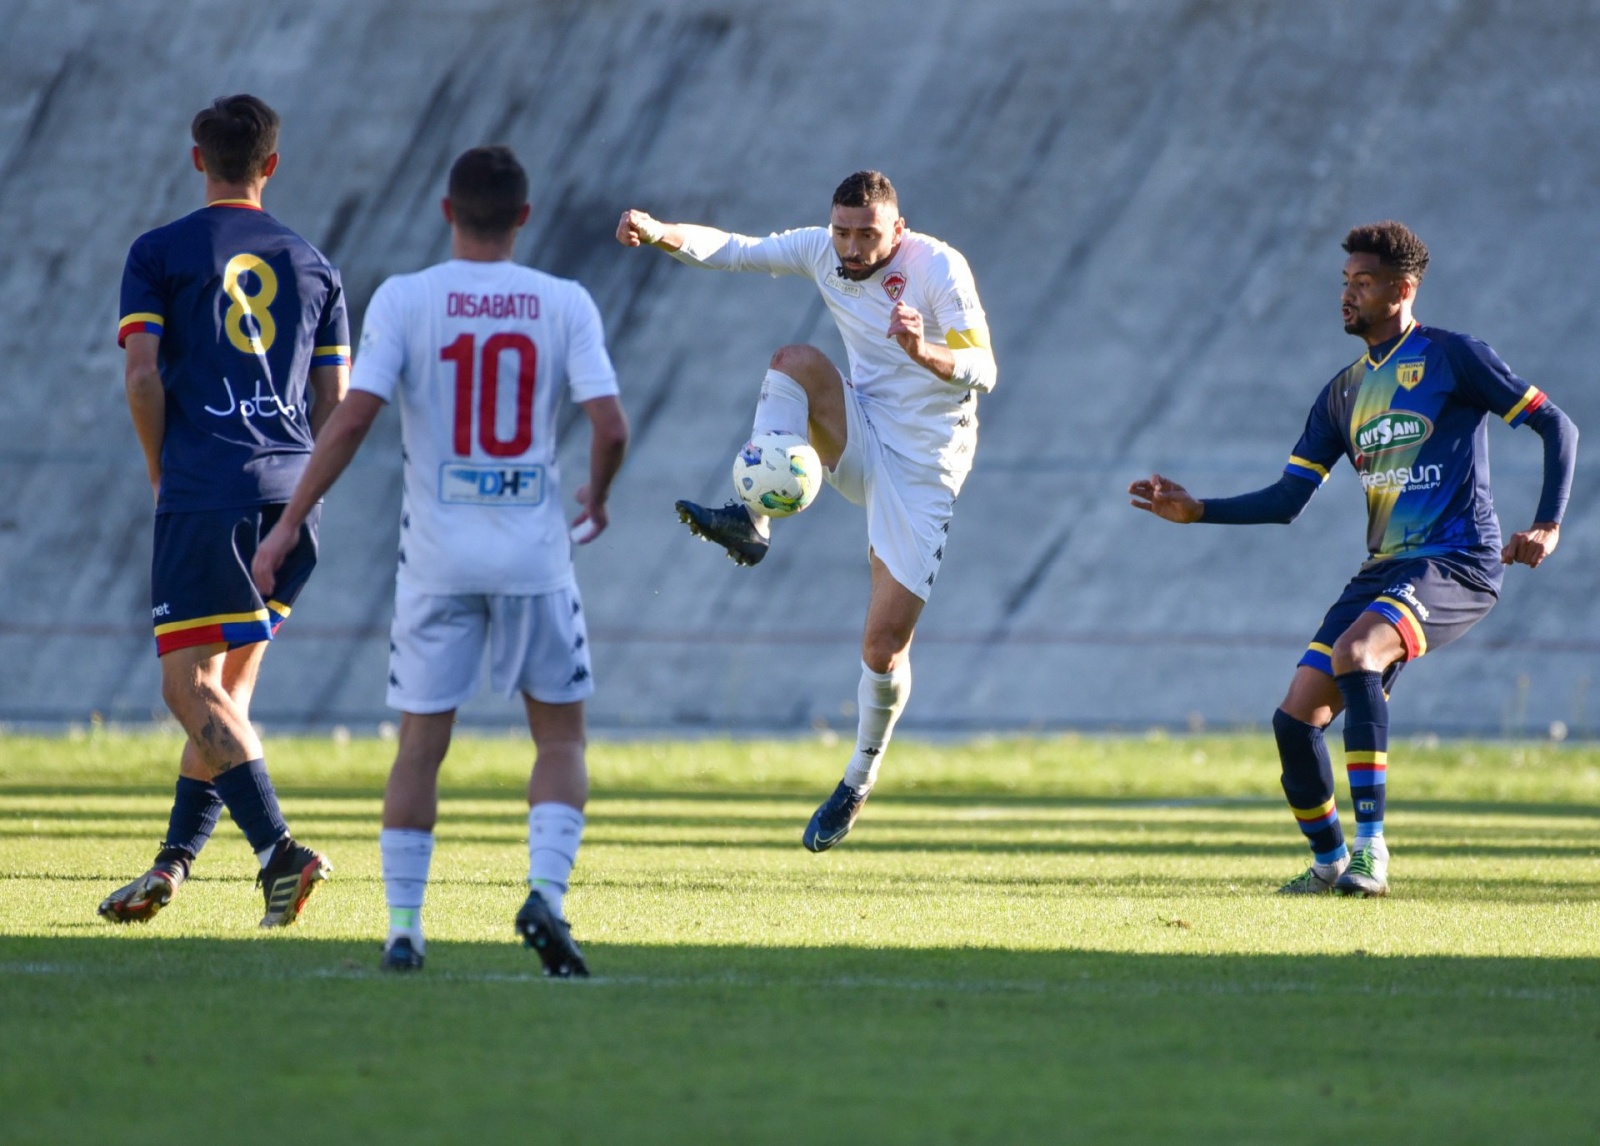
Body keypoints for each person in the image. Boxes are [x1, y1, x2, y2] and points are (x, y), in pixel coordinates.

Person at [253, 145, 629, 975]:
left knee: (420, 746)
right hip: (534, 559)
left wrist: (285, 528)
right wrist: (595, 500)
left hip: (435, 562)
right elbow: (610, 426)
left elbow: (350, 421)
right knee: (560, 741)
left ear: (447, 211)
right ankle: (547, 896)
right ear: (524, 217)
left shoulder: (408, 299)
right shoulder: (562, 303)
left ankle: (403, 930)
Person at [1130, 221, 1577, 897]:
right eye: (1345, 282)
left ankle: (1373, 852)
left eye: (1363, 283)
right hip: (1384, 569)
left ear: (1402, 289)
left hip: (1458, 562)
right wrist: (1198, 511)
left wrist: (1547, 523)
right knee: (1293, 721)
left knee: (1359, 653)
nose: (1349, 294)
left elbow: (1557, 424)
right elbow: (1288, 498)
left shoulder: (1454, 356)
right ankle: (1331, 862)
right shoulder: (1341, 393)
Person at [616, 171, 996, 851]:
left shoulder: (937, 267)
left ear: (897, 231)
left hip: (925, 472)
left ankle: (856, 781)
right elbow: (734, 249)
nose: (850, 248)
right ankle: (752, 521)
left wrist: (925, 353)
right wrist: (657, 232)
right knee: (793, 361)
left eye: (867, 235)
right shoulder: (822, 250)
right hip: (860, 429)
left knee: (882, 650)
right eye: (842, 232)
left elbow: (984, 369)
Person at [101, 95, 347, 928]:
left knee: (187, 687)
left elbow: (141, 378)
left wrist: (159, 470)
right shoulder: (315, 264)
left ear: (197, 158)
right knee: (227, 695)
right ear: (271, 165)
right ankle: (173, 864)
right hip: (292, 495)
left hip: (207, 487)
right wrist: (300, 492)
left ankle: (281, 851)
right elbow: (335, 400)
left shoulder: (159, 252)